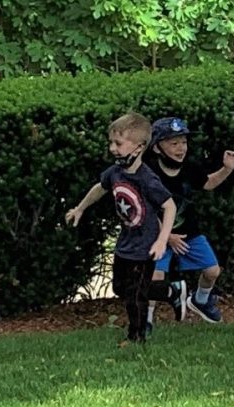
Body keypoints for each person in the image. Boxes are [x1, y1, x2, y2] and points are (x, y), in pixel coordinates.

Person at [65, 112, 187, 344]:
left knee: (135, 297)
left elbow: (169, 207)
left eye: (118, 143)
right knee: (121, 288)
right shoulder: (115, 173)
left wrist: (162, 240)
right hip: (126, 243)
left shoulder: (147, 179)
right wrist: (80, 208)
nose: (112, 148)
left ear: (139, 147)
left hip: (146, 246)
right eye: (111, 142)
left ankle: (136, 337)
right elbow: (99, 188)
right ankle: (171, 292)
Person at [143, 117, 234, 332]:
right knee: (155, 278)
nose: (181, 148)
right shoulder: (149, 173)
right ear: (157, 147)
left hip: (188, 234)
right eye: (173, 143)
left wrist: (227, 169)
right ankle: (146, 319)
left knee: (212, 271)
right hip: (159, 236)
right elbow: (145, 208)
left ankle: (201, 300)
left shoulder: (190, 168)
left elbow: (208, 183)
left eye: (183, 142)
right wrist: (167, 236)